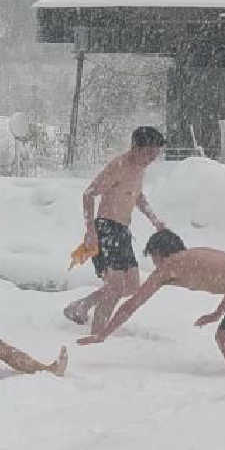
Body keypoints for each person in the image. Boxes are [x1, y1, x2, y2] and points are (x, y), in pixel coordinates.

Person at [78, 229, 225, 370]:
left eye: (154, 258)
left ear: (160, 254)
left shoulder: (170, 264)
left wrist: (103, 333)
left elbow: (133, 304)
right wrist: (217, 313)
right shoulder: (195, 256)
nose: (155, 265)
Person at [64, 125, 167, 338]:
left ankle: (81, 306)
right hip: (105, 229)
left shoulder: (140, 169)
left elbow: (137, 196)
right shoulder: (119, 165)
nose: (151, 159)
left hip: (122, 231)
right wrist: (90, 230)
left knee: (131, 286)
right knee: (115, 287)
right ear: (135, 147)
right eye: (148, 153)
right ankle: (96, 336)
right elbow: (89, 194)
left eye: (155, 155)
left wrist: (155, 220)